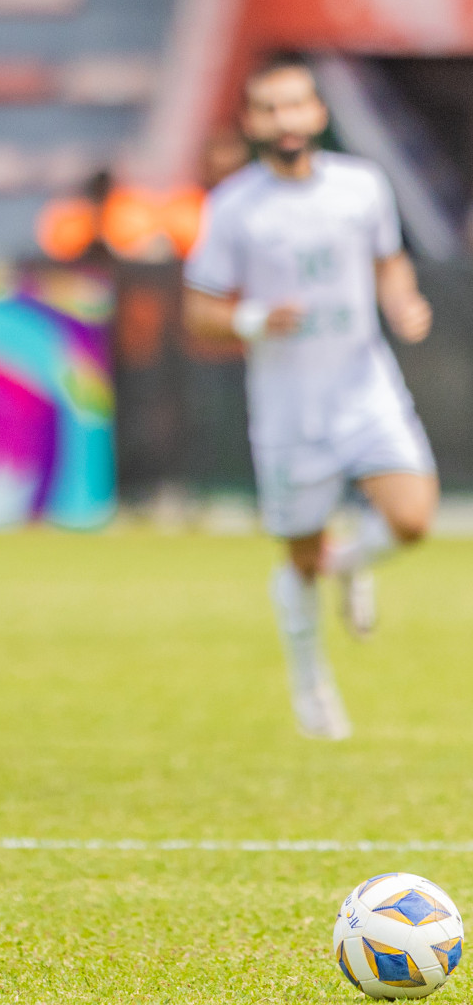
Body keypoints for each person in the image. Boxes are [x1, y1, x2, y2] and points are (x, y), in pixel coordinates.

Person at [184, 52, 437, 740]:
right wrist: (253, 320)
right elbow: (199, 309)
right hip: (289, 404)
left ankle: (350, 565)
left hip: (363, 383)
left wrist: (404, 301)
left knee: (413, 519)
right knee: (298, 556)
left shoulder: (361, 186)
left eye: (295, 105)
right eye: (269, 109)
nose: (284, 120)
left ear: (317, 113)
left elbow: (389, 261)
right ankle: (311, 685)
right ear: (250, 121)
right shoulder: (235, 206)